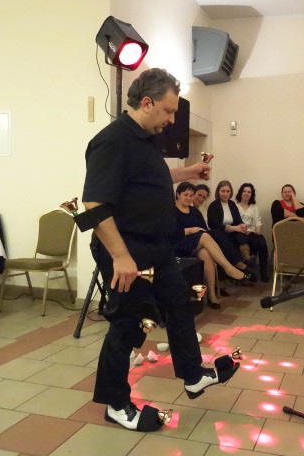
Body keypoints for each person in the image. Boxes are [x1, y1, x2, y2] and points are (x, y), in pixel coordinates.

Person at [82, 68, 240, 432]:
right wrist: (121, 257)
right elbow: (94, 204)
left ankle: (193, 376)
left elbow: (152, 178)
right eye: (168, 111)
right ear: (146, 102)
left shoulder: (146, 139)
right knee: (128, 324)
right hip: (126, 249)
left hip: (157, 246)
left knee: (180, 304)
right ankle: (116, 404)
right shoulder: (112, 141)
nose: (171, 120)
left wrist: (189, 173)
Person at [172, 182, 253, 309]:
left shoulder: (194, 211)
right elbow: (168, 232)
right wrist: (189, 230)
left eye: (191, 195)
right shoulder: (171, 211)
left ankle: (212, 295)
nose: (188, 198)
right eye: (185, 194)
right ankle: (229, 268)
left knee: (206, 253)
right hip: (178, 245)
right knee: (205, 237)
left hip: (194, 245)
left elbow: (204, 229)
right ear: (178, 194)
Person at [207, 180, 256, 266]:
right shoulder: (213, 205)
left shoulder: (232, 204)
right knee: (225, 233)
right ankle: (238, 263)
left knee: (240, 233)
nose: (225, 194)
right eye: (223, 191)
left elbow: (238, 220)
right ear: (218, 192)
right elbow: (213, 224)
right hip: (220, 232)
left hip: (232, 232)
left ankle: (246, 257)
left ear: (231, 192)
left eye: (227, 191)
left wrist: (242, 224)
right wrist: (231, 228)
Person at [235, 183, 270, 282]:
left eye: (249, 192)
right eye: (244, 191)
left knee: (261, 241)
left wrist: (258, 230)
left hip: (252, 232)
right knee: (253, 241)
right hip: (239, 232)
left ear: (252, 194)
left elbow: (258, 221)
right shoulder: (235, 206)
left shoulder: (254, 207)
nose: (246, 193)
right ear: (240, 192)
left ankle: (263, 272)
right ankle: (251, 272)